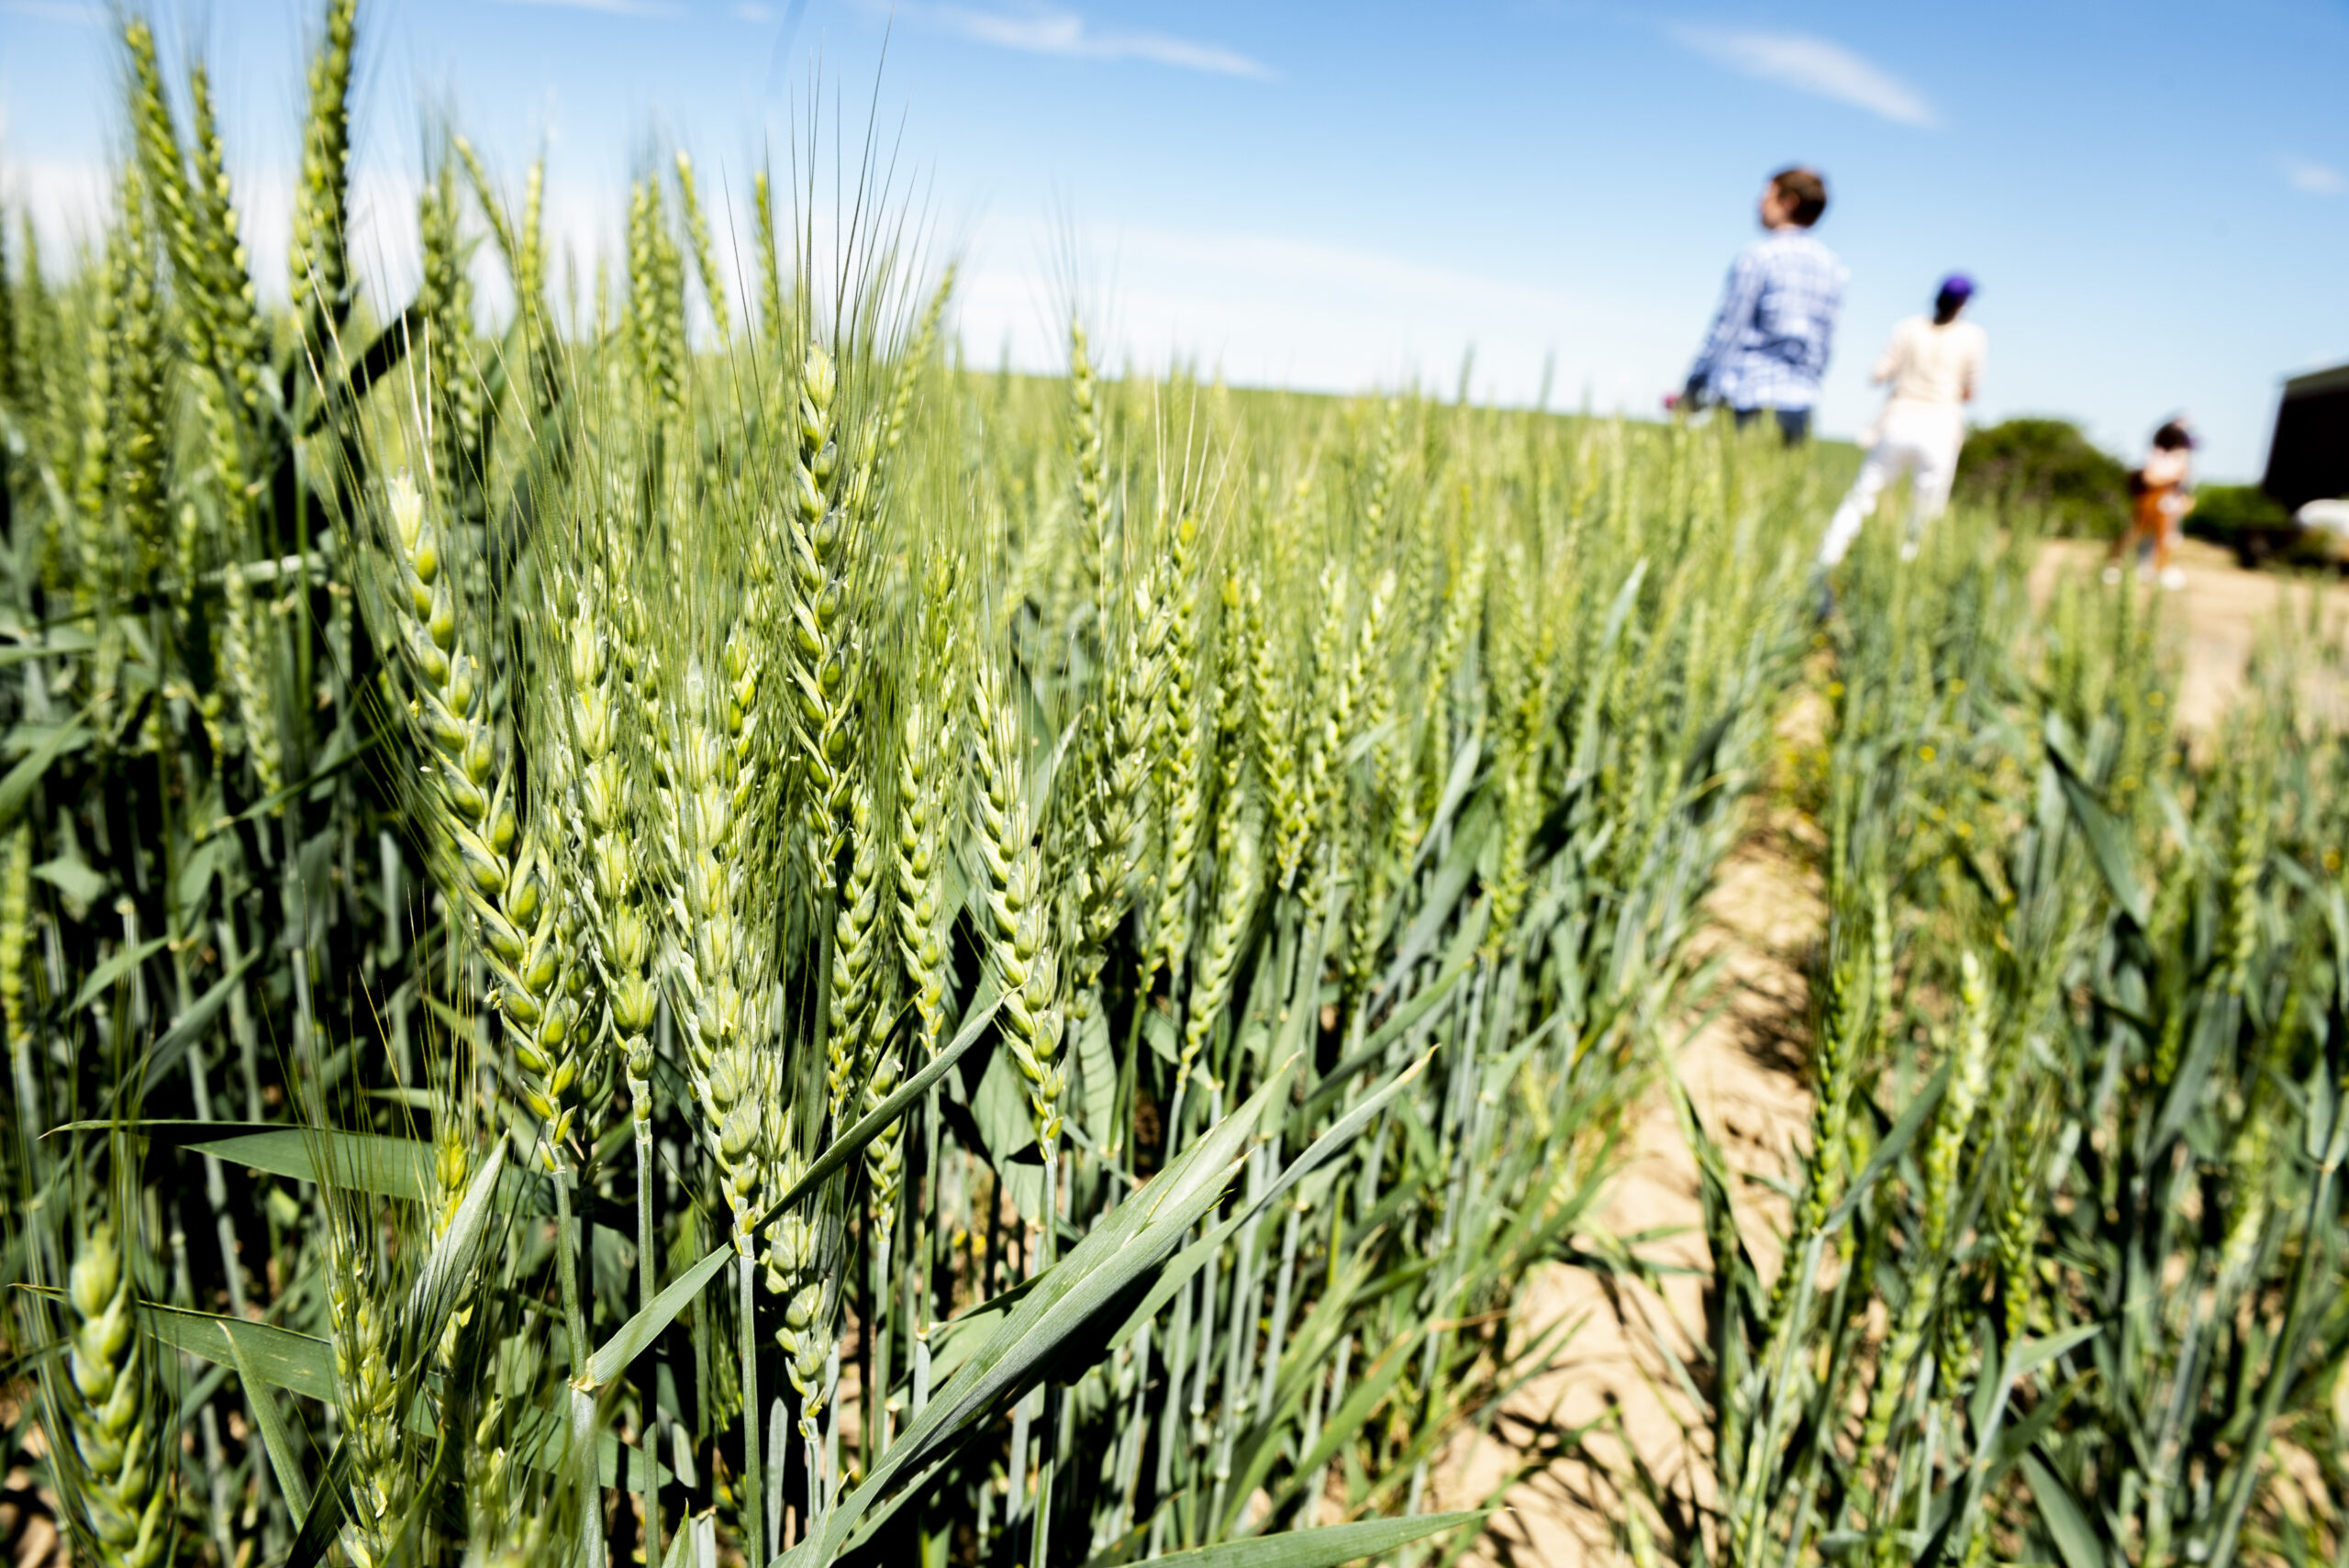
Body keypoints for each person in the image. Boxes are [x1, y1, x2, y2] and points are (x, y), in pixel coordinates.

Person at [1817, 274, 1987, 568]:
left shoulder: (1908, 328)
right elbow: (1969, 393)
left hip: (1898, 422)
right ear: (1963, 305)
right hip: (1940, 429)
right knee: (1926, 509)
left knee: (1864, 495)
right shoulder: (1973, 337)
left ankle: (1828, 557)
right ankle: (1905, 571)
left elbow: (1878, 373)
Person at [1680, 166, 1845, 445]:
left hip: (1747, 402)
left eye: (1766, 195)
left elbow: (1727, 330)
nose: (1759, 202)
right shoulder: (1834, 268)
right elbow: (1825, 344)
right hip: (1799, 408)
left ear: (1788, 201)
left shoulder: (1760, 256)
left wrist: (1693, 389)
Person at [2103, 419, 2197, 590]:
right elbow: (2149, 478)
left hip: (2169, 502)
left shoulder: (2181, 456)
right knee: (2136, 532)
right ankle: (2114, 565)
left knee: (2165, 537)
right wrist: (2170, 479)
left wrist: (2183, 493)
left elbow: (2184, 481)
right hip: (2151, 500)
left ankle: (2158, 569)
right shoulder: (2157, 453)